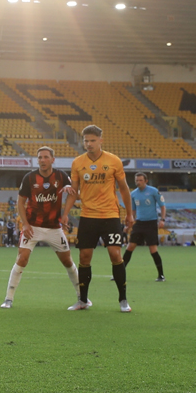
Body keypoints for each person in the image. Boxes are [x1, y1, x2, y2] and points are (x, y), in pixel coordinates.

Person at [2, 147, 80, 309]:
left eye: (45, 157)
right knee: (22, 258)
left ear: (53, 159)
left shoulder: (61, 176)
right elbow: (20, 202)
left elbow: (74, 192)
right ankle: (8, 299)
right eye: (39, 157)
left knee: (67, 261)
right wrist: (25, 224)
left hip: (54, 228)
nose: (42, 160)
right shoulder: (29, 178)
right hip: (33, 227)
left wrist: (65, 214)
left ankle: (82, 297)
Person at [69, 125, 134, 312]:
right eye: (86, 141)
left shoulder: (113, 161)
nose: (88, 144)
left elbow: (123, 189)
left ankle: (123, 300)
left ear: (100, 140)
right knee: (84, 256)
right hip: (88, 216)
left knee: (115, 254)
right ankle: (83, 300)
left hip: (110, 215)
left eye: (92, 141)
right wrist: (65, 213)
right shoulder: (77, 163)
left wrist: (129, 214)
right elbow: (74, 192)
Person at [124, 173, 167, 280]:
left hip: (151, 223)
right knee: (130, 247)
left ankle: (161, 275)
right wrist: (129, 223)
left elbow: (162, 206)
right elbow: (133, 211)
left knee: (153, 249)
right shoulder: (133, 194)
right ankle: (118, 273)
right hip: (139, 223)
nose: (138, 182)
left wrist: (162, 219)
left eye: (140, 180)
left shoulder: (153, 191)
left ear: (146, 181)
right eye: (136, 180)